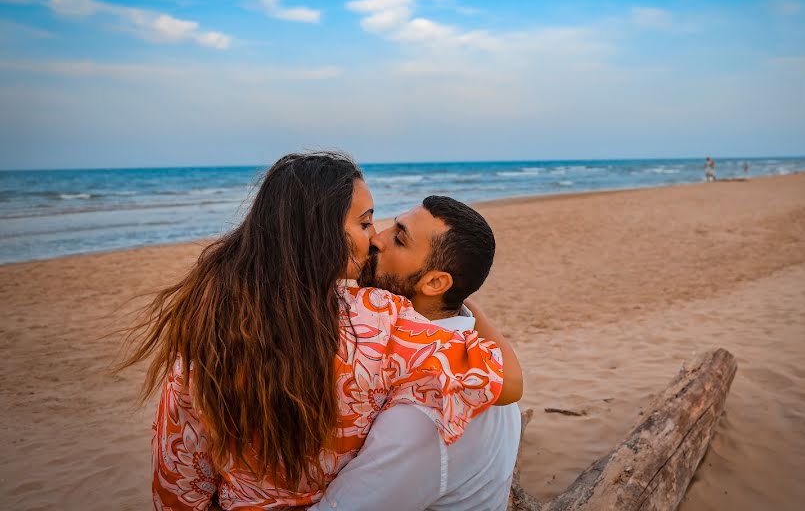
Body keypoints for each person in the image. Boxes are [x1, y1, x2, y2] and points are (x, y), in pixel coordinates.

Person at [119, 152, 523, 510]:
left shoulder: (207, 321)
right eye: (365, 223)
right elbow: (507, 381)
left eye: (385, 230)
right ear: (322, 232)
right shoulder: (378, 323)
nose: (375, 237)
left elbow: (179, 472)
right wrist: (467, 302)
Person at [313, 196, 520, 511]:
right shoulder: (473, 351)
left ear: (435, 283)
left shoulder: (433, 399)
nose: (376, 239)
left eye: (399, 239)